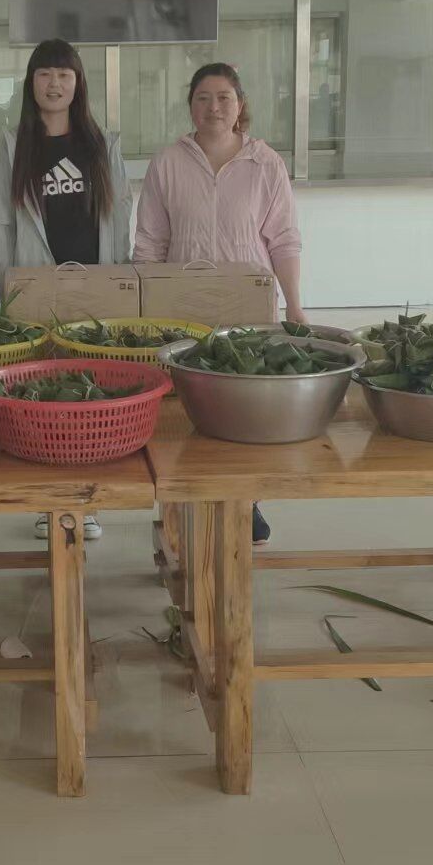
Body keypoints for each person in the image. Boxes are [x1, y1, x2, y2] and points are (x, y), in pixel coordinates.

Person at [133, 62, 305, 546]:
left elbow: (284, 239)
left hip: (246, 307)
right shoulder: (168, 162)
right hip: (180, 307)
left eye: (224, 97)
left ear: (240, 105)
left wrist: (294, 306)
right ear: (191, 106)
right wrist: (146, 310)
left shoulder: (265, 164)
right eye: (203, 98)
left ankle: (246, 501)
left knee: (244, 409)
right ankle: (179, 503)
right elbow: (149, 242)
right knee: (180, 409)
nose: (214, 107)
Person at [0, 38, 131, 544]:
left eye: (65, 75)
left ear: (78, 83)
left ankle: (86, 500)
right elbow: (1, 225)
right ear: (31, 83)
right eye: (45, 74)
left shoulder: (102, 143)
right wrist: (9, 291)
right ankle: (49, 501)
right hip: (36, 285)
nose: (55, 84)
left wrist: (117, 283)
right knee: (41, 397)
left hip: (93, 285)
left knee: (90, 394)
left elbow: (120, 219)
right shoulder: (14, 146)